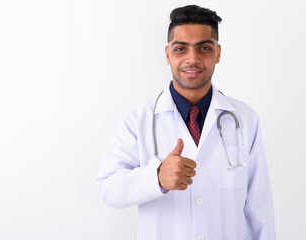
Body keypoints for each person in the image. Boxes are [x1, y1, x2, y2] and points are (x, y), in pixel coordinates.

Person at [96, 5, 276, 240]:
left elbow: (259, 208)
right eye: (181, 49)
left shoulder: (245, 119)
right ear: (168, 54)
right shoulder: (138, 120)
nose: (192, 59)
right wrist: (156, 177)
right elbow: (108, 189)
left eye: (204, 48)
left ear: (218, 53)